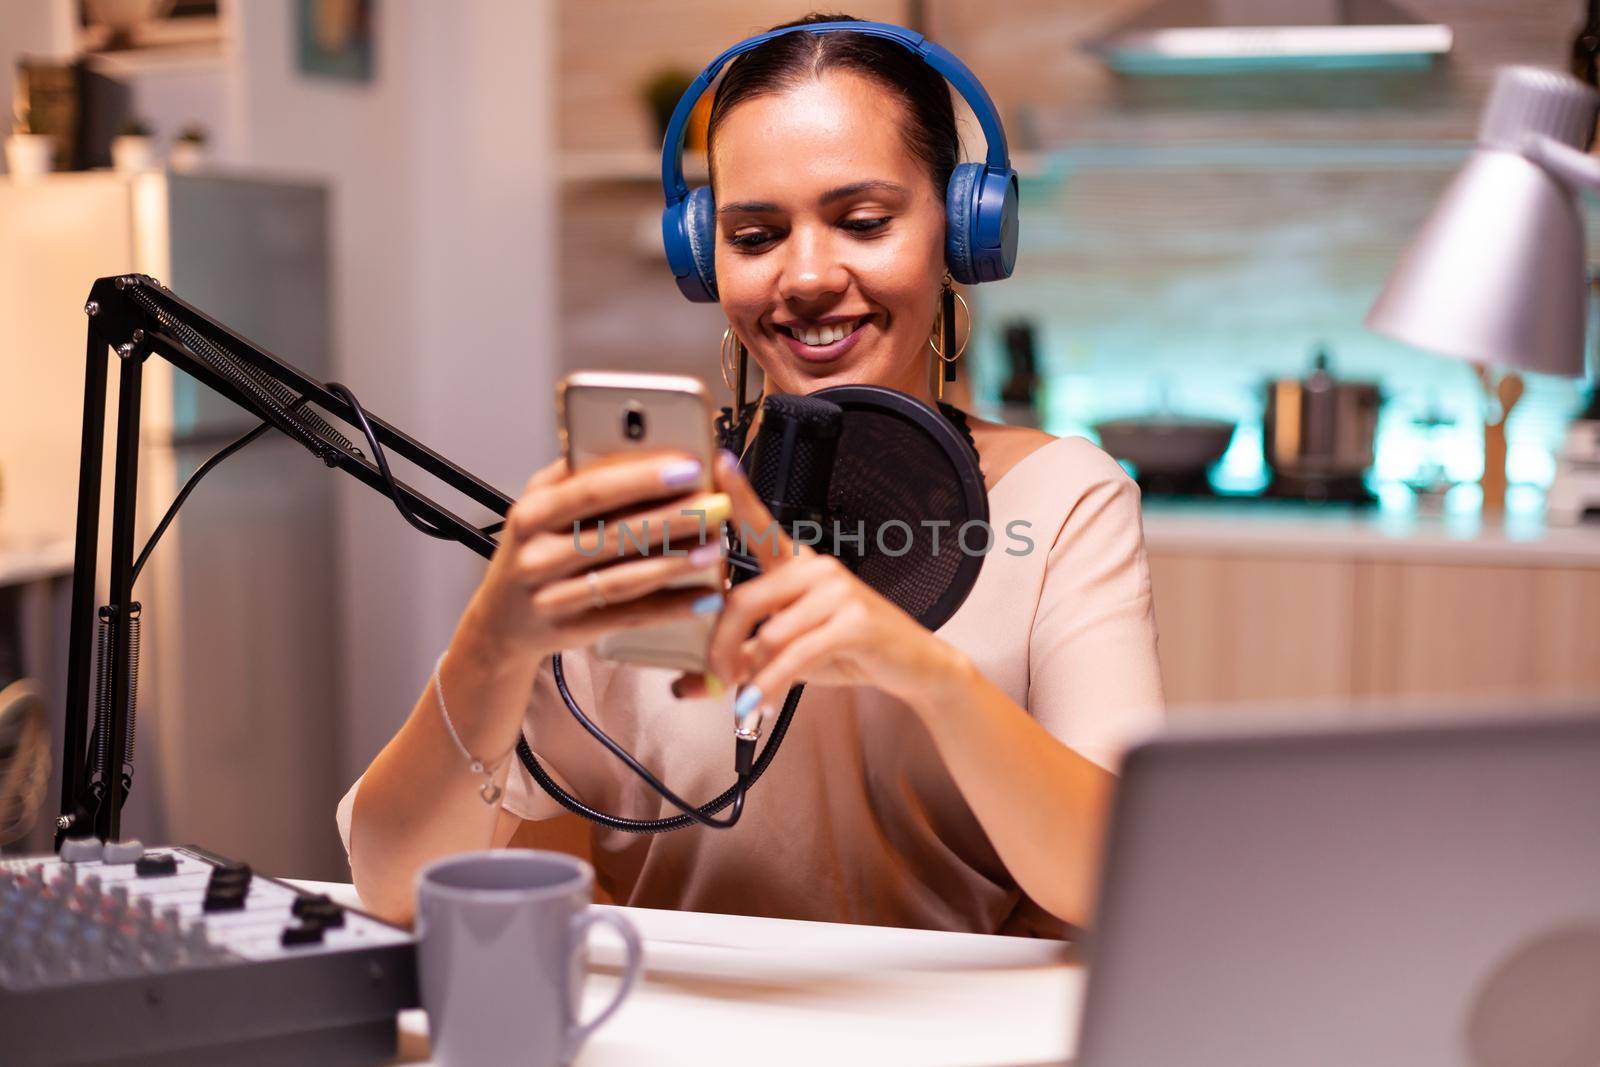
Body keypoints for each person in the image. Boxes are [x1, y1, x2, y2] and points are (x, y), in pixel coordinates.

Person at [338, 13, 1163, 937]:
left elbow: (1121, 880)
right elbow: (395, 884)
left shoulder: (1063, 503)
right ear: (708, 259)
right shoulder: (622, 515)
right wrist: (494, 635)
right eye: (757, 234)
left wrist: (930, 677)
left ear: (964, 233)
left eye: (862, 221)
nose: (805, 276)